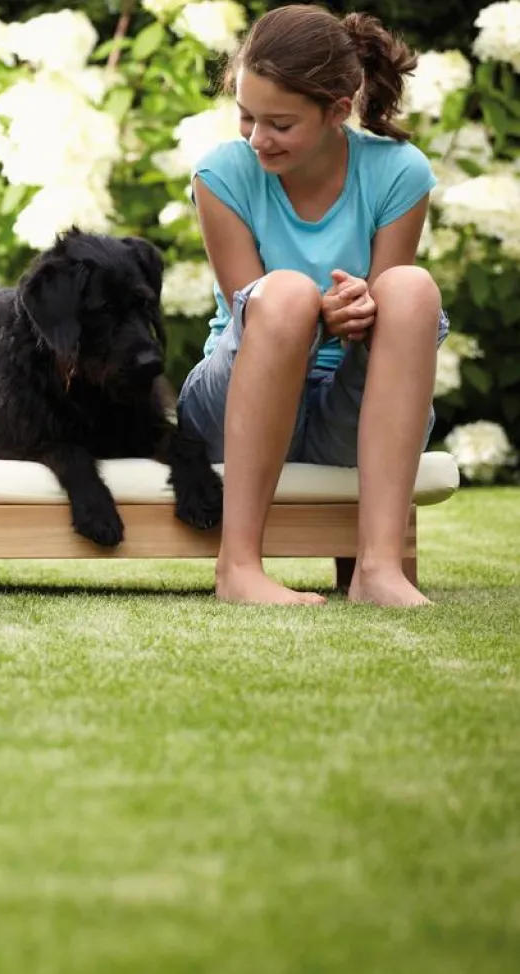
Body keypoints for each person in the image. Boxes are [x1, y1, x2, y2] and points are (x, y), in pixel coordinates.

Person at [177, 3, 446, 608]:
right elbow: (251, 312)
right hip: (233, 409)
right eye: (246, 117)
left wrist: (358, 308)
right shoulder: (222, 174)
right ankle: (238, 567)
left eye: (279, 124)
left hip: (347, 420)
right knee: (289, 292)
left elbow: (385, 324)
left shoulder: (399, 173)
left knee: (411, 289)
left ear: (337, 111)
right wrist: (319, 314)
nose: (257, 139)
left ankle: (377, 569)